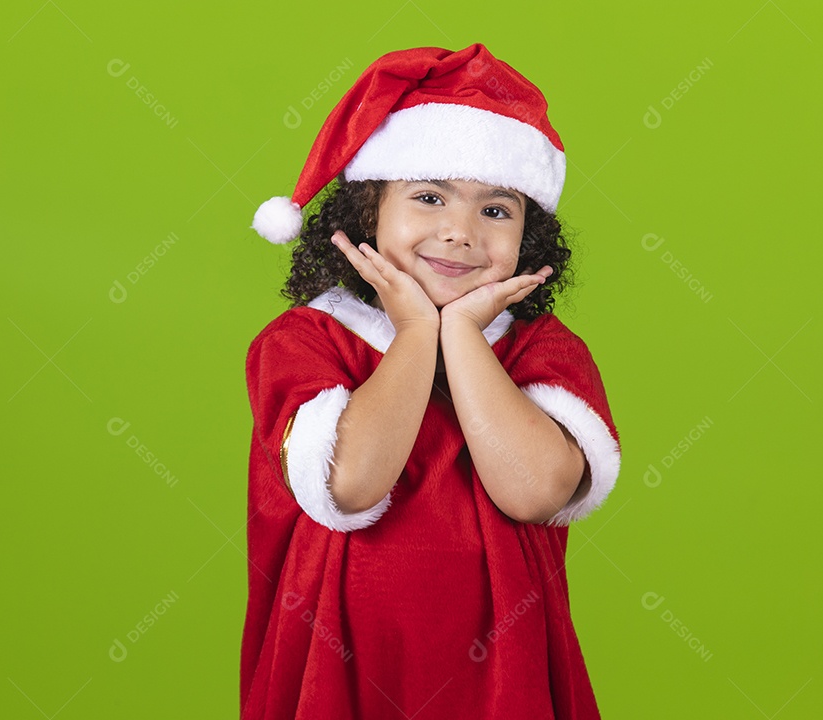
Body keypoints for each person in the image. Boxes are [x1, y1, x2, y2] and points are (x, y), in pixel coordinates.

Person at [243, 43, 622, 719]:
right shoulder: (303, 341)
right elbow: (351, 482)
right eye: (428, 197)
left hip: (507, 679)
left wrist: (463, 338)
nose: (460, 232)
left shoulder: (543, 349)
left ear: (529, 236)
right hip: (340, 672)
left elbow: (535, 491)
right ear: (365, 214)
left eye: (496, 210)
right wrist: (417, 335)